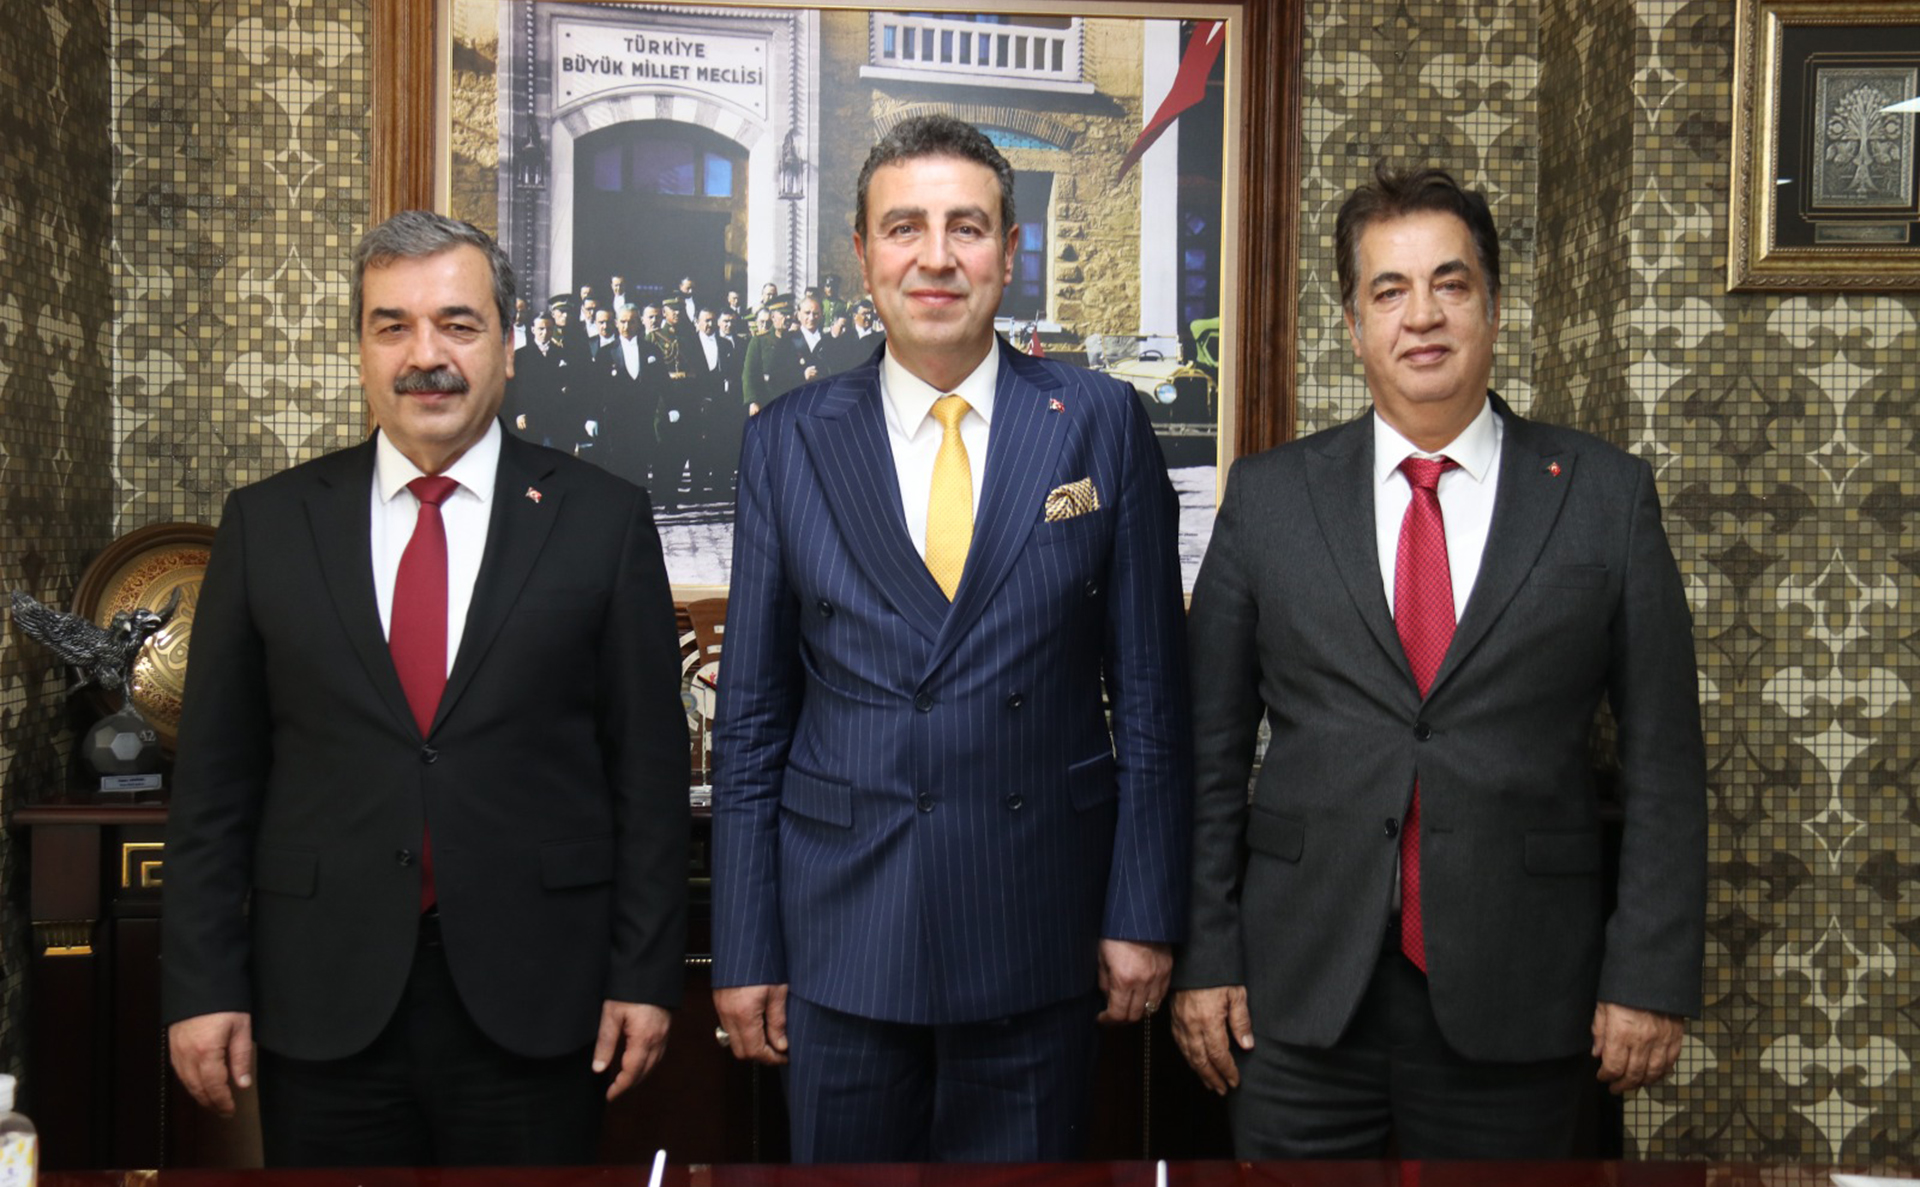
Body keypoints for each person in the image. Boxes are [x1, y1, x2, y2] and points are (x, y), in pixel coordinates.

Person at [1172, 163, 1707, 1159]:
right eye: (1390, 290)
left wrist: (1649, 974)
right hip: (1296, 995)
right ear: (1353, 324)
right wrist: (1204, 956)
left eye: (1450, 284)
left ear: (1493, 307)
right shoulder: (1270, 498)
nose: (1422, 315)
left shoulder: (1604, 497)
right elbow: (1207, 757)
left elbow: (1667, 761)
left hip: (1524, 992)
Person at [161, 210, 691, 1167]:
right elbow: (214, 786)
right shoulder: (269, 524)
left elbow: (648, 779)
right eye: (392, 326)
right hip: (321, 998)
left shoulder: (603, 522)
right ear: (361, 350)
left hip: (542, 1000)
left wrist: (645, 974)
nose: (425, 356)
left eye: (457, 323)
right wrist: (203, 985)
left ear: (509, 344)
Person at [710, 113, 1192, 1163]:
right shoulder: (786, 439)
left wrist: (1143, 909)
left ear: (1008, 252)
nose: (936, 257)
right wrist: (745, 943)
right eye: (905, 228)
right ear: (863, 255)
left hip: (1038, 925)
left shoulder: (1099, 420)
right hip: (842, 936)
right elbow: (749, 720)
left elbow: (1153, 696)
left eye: (966, 227)